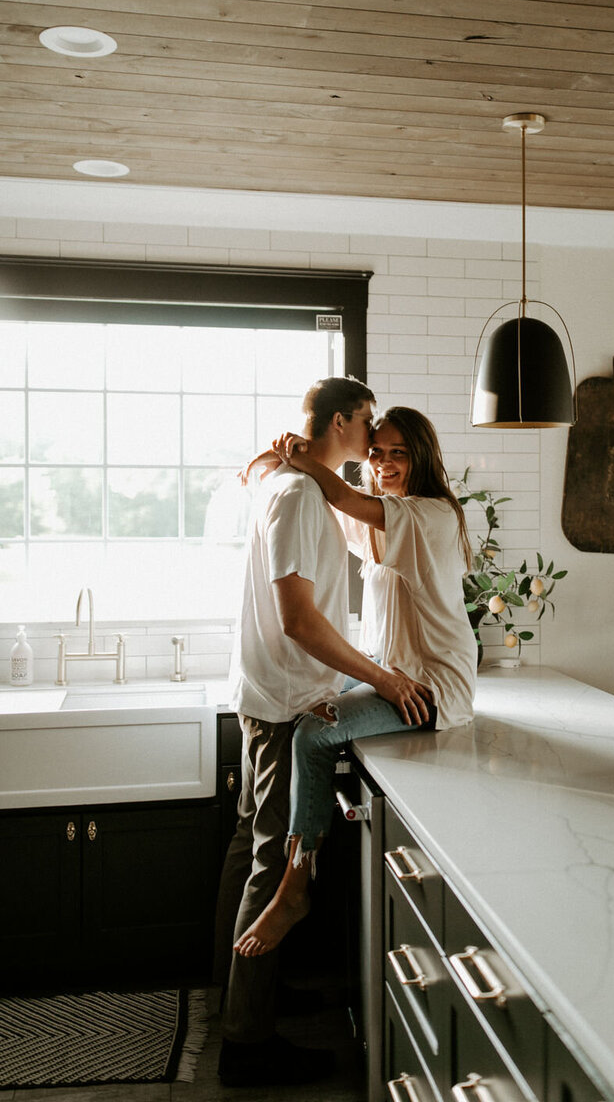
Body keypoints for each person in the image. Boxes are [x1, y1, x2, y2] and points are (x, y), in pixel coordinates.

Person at [214, 379, 433, 1089]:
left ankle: (250, 994)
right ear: (341, 420)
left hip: (262, 690)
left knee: (251, 841)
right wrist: (385, 677)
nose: (372, 440)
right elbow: (302, 621)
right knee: (273, 862)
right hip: (283, 703)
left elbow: (253, 471)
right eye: (367, 423)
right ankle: (247, 1041)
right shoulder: (302, 496)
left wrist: (290, 451)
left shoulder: (280, 478)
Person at [232, 406, 476, 960]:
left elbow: (340, 497)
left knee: (311, 735)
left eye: (399, 454)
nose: (385, 464)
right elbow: (302, 492)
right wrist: (278, 455)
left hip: (435, 685)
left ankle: (294, 888)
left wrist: (305, 457)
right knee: (314, 706)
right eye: (377, 452)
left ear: (422, 459)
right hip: (398, 673)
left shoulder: (429, 513)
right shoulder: (378, 520)